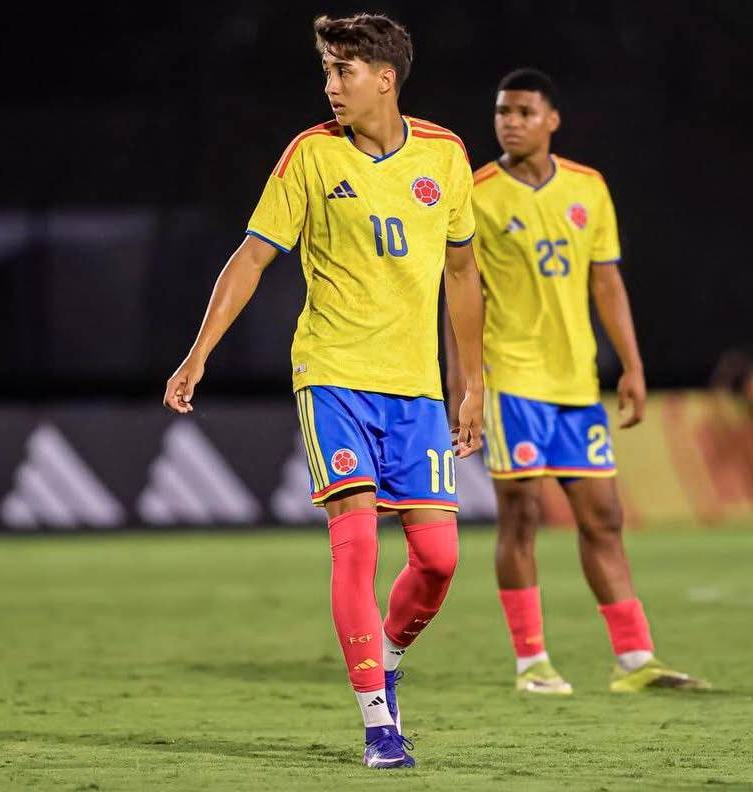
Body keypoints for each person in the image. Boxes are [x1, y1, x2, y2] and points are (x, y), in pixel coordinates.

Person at [164, 13, 484, 768]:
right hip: (332, 377)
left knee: (439, 559)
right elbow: (251, 257)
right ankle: (378, 725)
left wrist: (472, 383)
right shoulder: (310, 154)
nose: (331, 85)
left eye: (344, 71)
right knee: (356, 541)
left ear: (386, 78)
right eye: (327, 71)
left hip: (416, 390)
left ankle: (388, 659)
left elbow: (463, 272)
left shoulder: (445, 154)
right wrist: (198, 354)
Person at [446, 67, 708, 694]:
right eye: (503, 112)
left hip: (576, 383)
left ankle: (634, 660)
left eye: (524, 112)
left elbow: (607, 281)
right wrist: (466, 387)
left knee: (604, 518)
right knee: (521, 515)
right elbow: (456, 295)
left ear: (552, 120)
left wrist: (633, 366)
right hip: (512, 379)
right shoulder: (475, 193)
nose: (510, 122)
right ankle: (531, 662)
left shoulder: (588, 187)